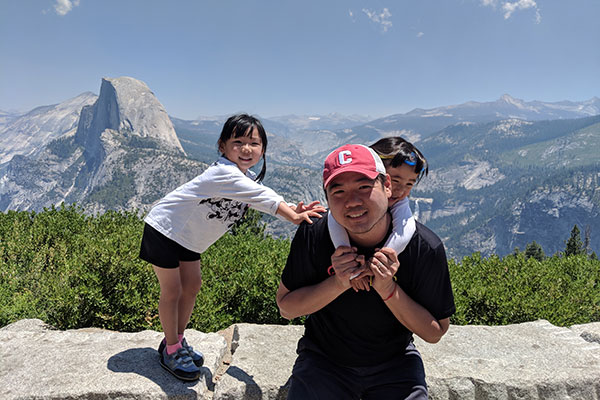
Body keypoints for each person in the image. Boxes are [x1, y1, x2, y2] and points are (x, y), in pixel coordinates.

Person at [139, 113, 325, 381]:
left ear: (263, 149)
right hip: (165, 230)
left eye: (255, 143)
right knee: (173, 290)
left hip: (188, 239)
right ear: (222, 146)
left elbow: (260, 194)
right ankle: (171, 350)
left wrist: (292, 208)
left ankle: (176, 340)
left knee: (192, 287)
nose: (247, 149)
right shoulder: (223, 173)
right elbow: (262, 196)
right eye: (238, 142)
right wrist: (293, 216)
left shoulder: (244, 177)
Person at [276, 143, 455, 399]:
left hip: (396, 363)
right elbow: (286, 308)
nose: (352, 202)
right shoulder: (314, 234)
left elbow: (434, 332)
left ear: (387, 187)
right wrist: (339, 283)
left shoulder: (424, 247)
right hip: (323, 361)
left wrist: (388, 289)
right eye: (338, 191)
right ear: (327, 199)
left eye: (364, 187)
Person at [327, 137, 428, 285]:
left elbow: (405, 231)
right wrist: (351, 265)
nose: (400, 190)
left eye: (409, 184)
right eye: (395, 181)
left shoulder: (400, 203)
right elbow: (333, 218)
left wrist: (375, 265)